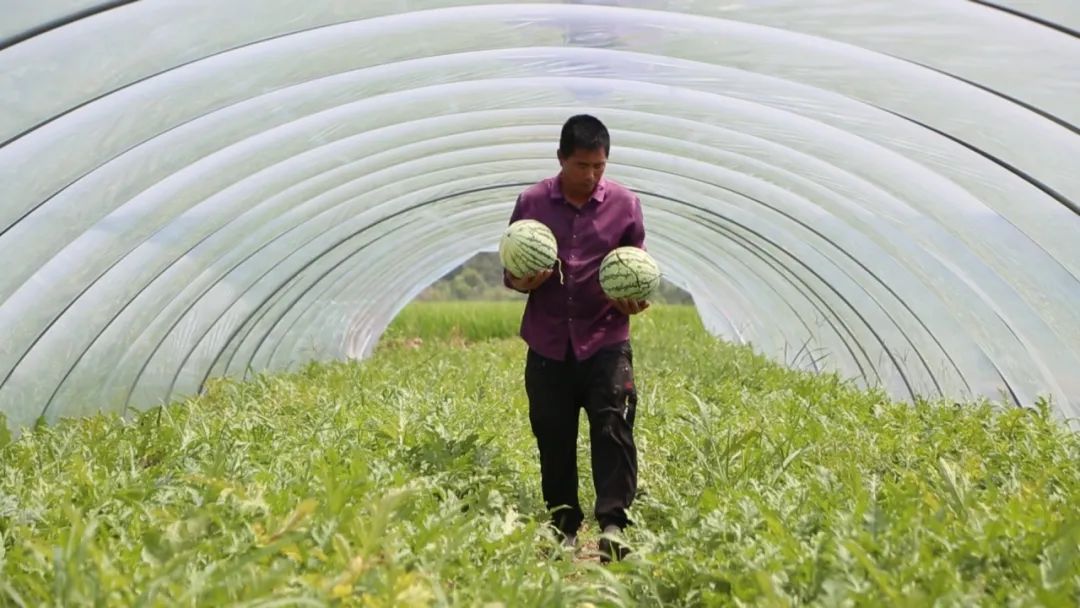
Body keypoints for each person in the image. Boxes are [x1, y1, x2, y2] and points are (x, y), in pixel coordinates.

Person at [503, 114, 649, 563]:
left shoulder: (625, 205)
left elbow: (636, 265)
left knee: (614, 433)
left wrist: (634, 299)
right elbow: (511, 268)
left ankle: (614, 528)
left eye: (599, 166)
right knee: (554, 437)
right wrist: (523, 282)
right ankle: (564, 527)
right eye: (582, 165)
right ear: (561, 159)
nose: (590, 175)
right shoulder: (532, 203)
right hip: (548, 343)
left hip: (605, 339)